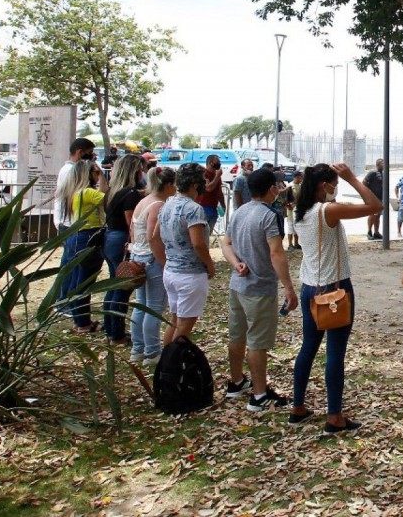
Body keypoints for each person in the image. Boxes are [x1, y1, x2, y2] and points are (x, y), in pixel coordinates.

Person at [290, 163, 382, 434]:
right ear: (324, 185)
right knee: (335, 353)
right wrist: (353, 177)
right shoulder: (328, 211)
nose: (337, 188)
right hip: (335, 290)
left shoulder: (302, 212)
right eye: (334, 183)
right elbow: (376, 206)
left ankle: (298, 406)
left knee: (308, 347)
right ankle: (334, 416)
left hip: (310, 287)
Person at [222, 167, 300, 410]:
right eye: (276, 185)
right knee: (257, 341)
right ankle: (258, 395)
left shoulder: (240, 211)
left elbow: (226, 243)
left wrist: (236, 264)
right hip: (259, 287)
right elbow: (276, 252)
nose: (279, 189)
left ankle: (236, 382)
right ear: (270, 189)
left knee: (237, 335)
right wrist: (288, 287)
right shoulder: (269, 215)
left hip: (238, 285)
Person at [150, 163, 214, 342]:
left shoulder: (167, 204)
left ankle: (166, 362)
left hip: (171, 271)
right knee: (184, 327)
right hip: (190, 275)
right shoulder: (193, 209)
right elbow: (198, 244)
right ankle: (172, 365)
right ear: (195, 185)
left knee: (175, 320)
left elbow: (154, 237)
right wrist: (210, 265)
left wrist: (166, 261)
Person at [128, 167, 174, 366]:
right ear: (169, 185)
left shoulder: (142, 202)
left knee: (141, 304)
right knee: (154, 307)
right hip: (151, 258)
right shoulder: (158, 205)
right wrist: (164, 262)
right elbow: (153, 237)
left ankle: (138, 348)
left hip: (137, 255)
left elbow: (132, 228)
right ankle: (151, 351)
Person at [60, 159, 109, 334]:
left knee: (77, 280)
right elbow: (106, 196)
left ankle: (81, 320)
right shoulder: (87, 193)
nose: (98, 175)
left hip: (77, 236)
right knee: (84, 282)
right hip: (88, 237)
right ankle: (82, 322)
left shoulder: (74, 191)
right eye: (95, 172)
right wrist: (103, 175)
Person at [101, 155, 144, 344]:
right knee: (122, 288)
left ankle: (110, 328)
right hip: (121, 240)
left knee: (113, 284)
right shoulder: (130, 194)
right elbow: (131, 224)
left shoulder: (113, 191)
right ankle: (116, 332)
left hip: (110, 238)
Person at [54, 138, 97, 306]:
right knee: (70, 265)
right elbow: (66, 196)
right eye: (90, 154)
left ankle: (64, 300)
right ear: (80, 152)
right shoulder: (70, 171)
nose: (92, 158)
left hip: (71, 222)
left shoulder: (72, 169)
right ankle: (63, 301)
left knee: (70, 264)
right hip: (69, 222)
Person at [196, 154, 225, 234]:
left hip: (213, 208)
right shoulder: (204, 174)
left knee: (208, 234)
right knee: (202, 234)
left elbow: (219, 192)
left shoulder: (217, 175)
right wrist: (217, 177)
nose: (219, 163)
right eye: (218, 161)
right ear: (211, 163)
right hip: (203, 207)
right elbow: (208, 188)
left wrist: (223, 205)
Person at [364, 159, 385, 240]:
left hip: (380, 198)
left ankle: (376, 232)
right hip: (373, 198)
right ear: (377, 164)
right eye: (382, 163)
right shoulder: (372, 173)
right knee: (372, 215)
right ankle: (369, 232)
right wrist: (369, 194)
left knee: (378, 216)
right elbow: (364, 183)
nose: (384, 165)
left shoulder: (383, 174)